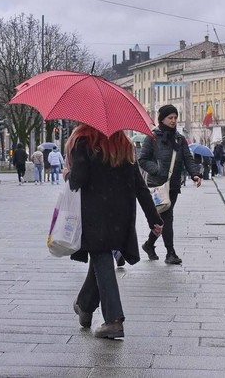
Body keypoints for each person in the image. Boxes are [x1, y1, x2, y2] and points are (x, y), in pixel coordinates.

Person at [67, 123, 164, 339]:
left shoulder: (84, 142)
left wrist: (68, 173)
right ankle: (84, 305)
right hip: (121, 217)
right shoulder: (124, 145)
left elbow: (78, 180)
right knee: (100, 258)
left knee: (101, 258)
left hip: (94, 215)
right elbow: (139, 186)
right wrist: (153, 219)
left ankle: (113, 320)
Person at [138, 104, 202, 265]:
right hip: (157, 185)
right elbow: (143, 159)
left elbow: (188, 158)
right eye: (170, 118)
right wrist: (157, 169)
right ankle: (170, 252)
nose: (173, 121)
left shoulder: (179, 139)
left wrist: (195, 174)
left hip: (173, 185)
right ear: (162, 119)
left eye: (175, 118)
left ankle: (149, 244)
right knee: (167, 217)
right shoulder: (152, 137)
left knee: (162, 219)